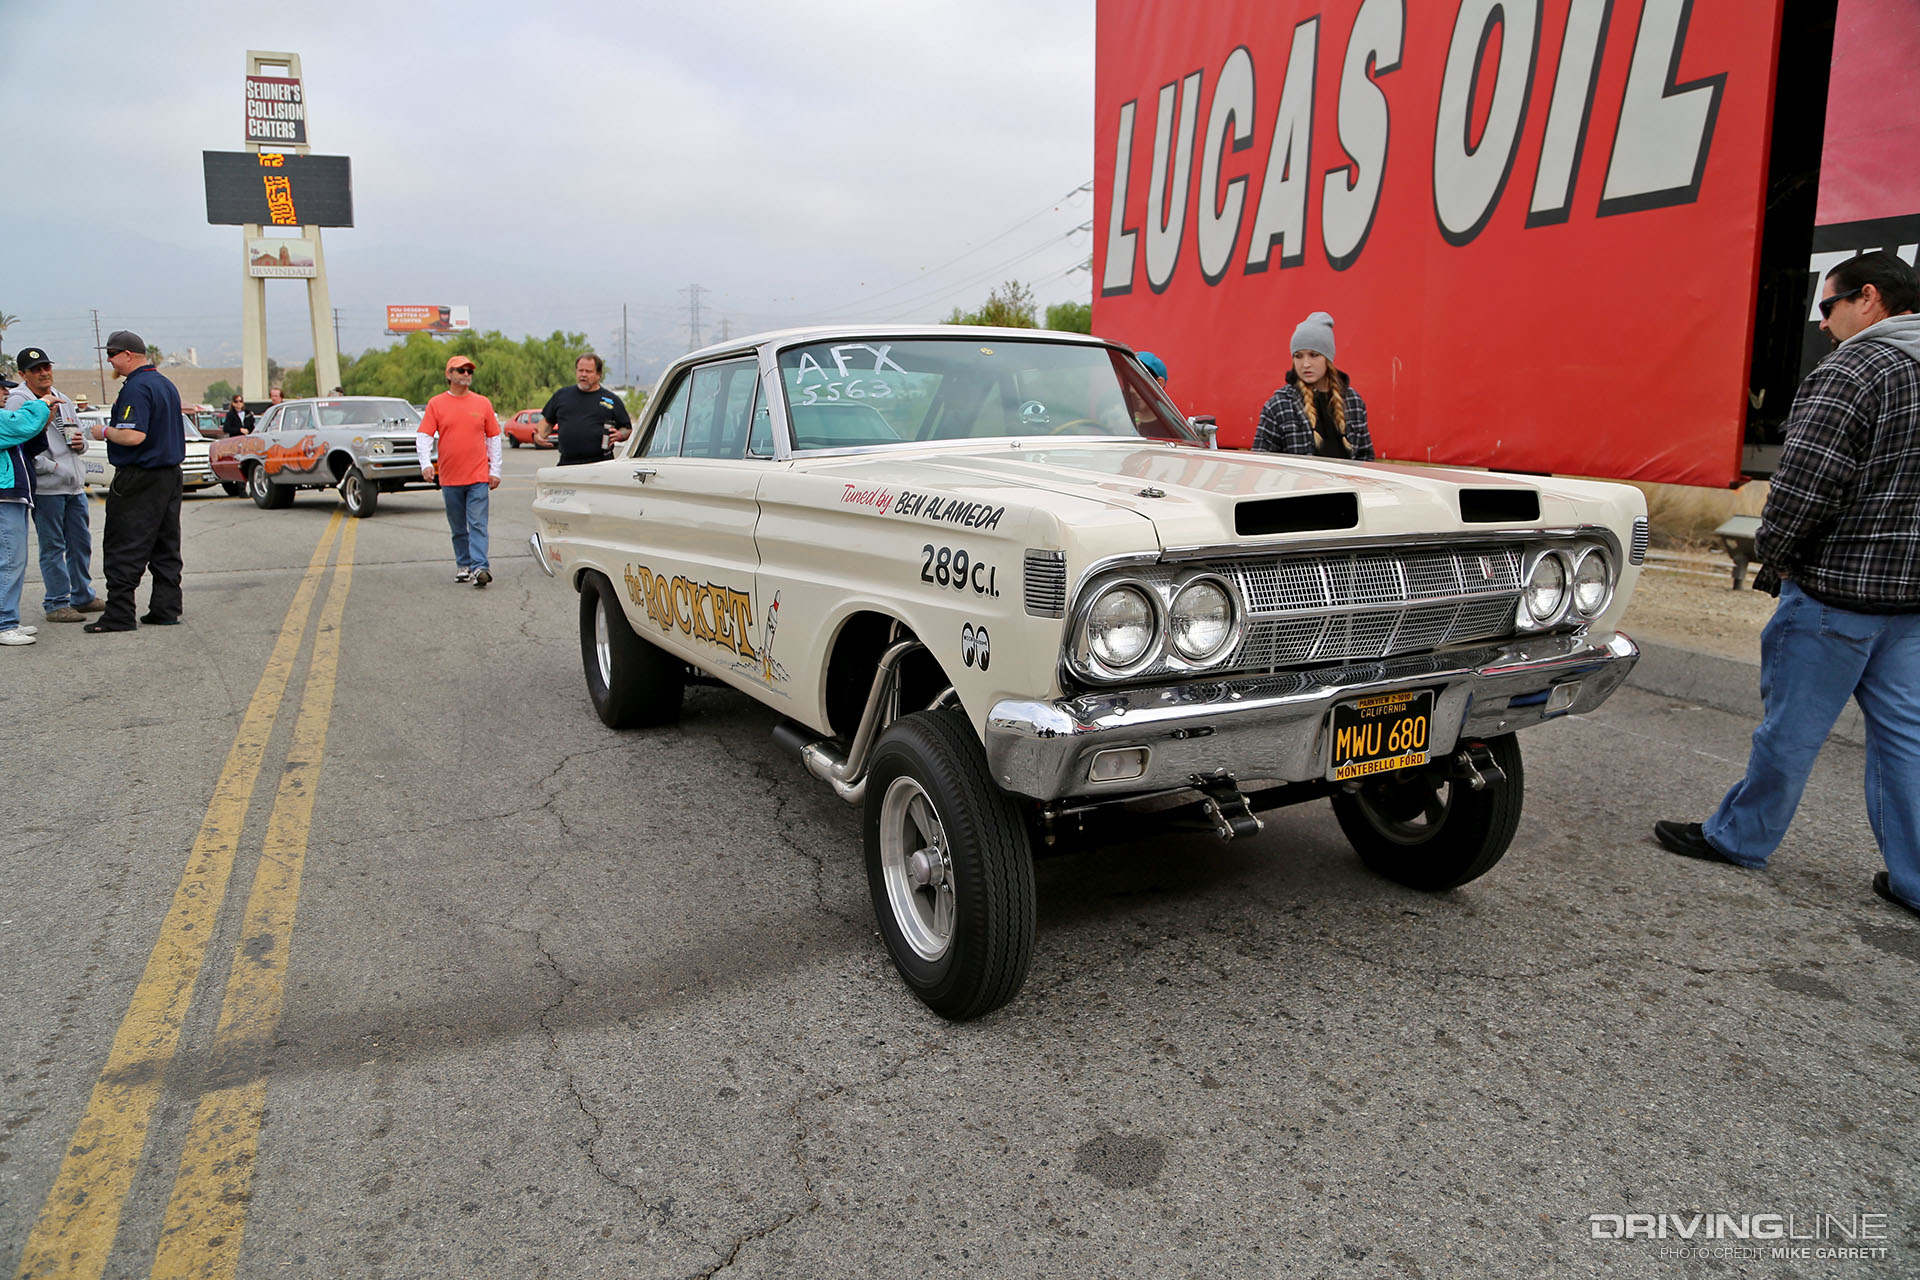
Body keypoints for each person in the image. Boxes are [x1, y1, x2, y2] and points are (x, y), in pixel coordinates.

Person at [1655, 251, 1920, 920]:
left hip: (1836, 596)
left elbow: (1806, 486)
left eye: (1827, 308)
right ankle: (1916, 879)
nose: (1824, 325)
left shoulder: (1854, 370)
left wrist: (1775, 557)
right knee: (1905, 743)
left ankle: (1740, 838)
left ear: (1867, 298)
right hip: (1911, 603)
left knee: (1789, 734)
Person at [84, 330, 186, 633]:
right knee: (166, 545)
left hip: (139, 477)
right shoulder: (165, 384)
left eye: (112, 355)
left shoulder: (137, 387)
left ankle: (119, 614)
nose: (109, 361)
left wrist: (102, 432)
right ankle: (166, 609)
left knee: (124, 544)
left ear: (128, 355)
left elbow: (132, 435)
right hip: (169, 475)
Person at [5, 347, 103, 622]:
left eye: (46, 367)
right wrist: (52, 467)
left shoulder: (63, 398)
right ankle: (57, 602)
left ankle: (81, 595)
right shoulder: (18, 401)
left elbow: (77, 433)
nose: (43, 373)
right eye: (35, 370)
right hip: (47, 488)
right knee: (53, 547)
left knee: (81, 542)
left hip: (73, 485)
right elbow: (19, 447)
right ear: (23, 375)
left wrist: (81, 444)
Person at [417, 353, 501, 588]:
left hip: (477, 476)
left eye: (469, 371)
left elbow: (494, 437)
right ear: (449, 374)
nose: (466, 375)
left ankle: (480, 567)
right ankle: (463, 564)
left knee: (477, 523)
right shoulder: (436, 404)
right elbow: (424, 435)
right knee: (457, 525)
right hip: (450, 477)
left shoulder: (482, 403)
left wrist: (495, 470)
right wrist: (425, 464)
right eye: (461, 371)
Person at [1253, 311, 1374, 460]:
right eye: (1298, 356)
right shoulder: (1278, 406)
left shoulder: (1353, 401)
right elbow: (1261, 463)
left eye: (1314, 355)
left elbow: (1366, 458)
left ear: (1328, 358)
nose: (1306, 364)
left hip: (1348, 484)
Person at [0, 356, 57, 647]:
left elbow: (27, 437)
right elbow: (20, 426)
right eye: (1, 388)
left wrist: (42, 417)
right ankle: (4, 623)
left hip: (12, 495)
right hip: (4, 497)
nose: (6, 392)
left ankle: (8, 618)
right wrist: (42, 403)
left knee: (11, 560)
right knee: (10, 560)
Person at [538, 353, 631, 464]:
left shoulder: (611, 400)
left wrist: (620, 435)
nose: (583, 375)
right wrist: (538, 436)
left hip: (600, 464)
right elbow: (547, 422)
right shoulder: (561, 395)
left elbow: (627, 429)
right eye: (580, 370)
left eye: (588, 371)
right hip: (567, 463)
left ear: (599, 374)